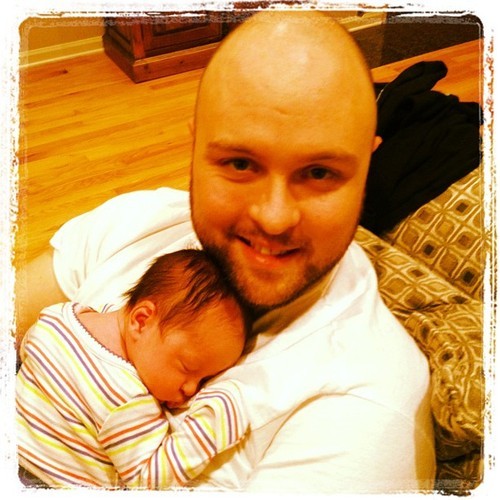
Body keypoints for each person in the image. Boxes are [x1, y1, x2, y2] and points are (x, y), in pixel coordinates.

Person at [16, 11, 436, 493]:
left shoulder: (363, 410)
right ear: (194, 147)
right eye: (239, 163)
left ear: (367, 165)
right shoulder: (137, 223)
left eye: (319, 173)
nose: (274, 217)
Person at [16, 249, 249, 488]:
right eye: (187, 367)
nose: (191, 390)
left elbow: (26, 355)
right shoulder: (128, 398)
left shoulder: (56, 318)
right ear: (141, 320)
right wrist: (213, 425)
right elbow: (148, 480)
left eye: (204, 381)